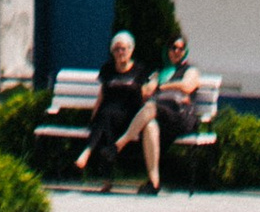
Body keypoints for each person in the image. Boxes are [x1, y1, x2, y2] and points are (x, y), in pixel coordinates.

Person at [110, 33, 204, 193]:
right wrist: (152, 85)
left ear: (185, 51)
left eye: (181, 49)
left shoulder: (190, 70)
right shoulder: (160, 72)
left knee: (151, 108)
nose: (176, 51)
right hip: (163, 115)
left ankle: (121, 142)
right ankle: (154, 182)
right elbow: (145, 91)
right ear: (167, 50)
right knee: (150, 126)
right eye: (173, 48)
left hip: (181, 115)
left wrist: (162, 86)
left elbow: (187, 86)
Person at [79, 31, 145, 186]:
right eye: (116, 49)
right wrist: (92, 118)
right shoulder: (107, 69)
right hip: (108, 117)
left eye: (123, 49)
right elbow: (101, 96)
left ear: (131, 49)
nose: (120, 52)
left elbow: (145, 94)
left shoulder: (139, 70)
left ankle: (88, 154)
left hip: (130, 117)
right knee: (105, 118)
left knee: (105, 116)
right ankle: (105, 176)